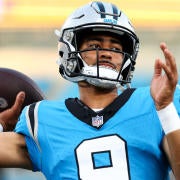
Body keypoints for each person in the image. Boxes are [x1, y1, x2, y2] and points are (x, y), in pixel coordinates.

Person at [0, 1, 180, 179]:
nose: (107, 53)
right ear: (69, 50)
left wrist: (165, 109)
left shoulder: (154, 103)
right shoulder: (42, 118)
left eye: (116, 48)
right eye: (95, 46)